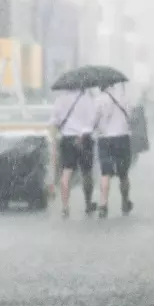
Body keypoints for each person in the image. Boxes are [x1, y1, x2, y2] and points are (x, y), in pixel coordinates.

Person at [49, 88, 100, 218]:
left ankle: (65, 207)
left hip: (67, 139)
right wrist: (84, 131)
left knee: (66, 172)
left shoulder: (60, 100)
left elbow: (54, 122)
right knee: (86, 172)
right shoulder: (89, 99)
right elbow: (94, 120)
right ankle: (88, 203)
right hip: (85, 138)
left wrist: (54, 139)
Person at [95, 86, 135, 218]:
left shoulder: (98, 100)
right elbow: (130, 116)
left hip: (105, 138)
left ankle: (103, 205)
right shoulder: (124, 97)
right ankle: (124, 202)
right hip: (122, 137)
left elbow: (94, 121)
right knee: (123, 174)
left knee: (105, 173)